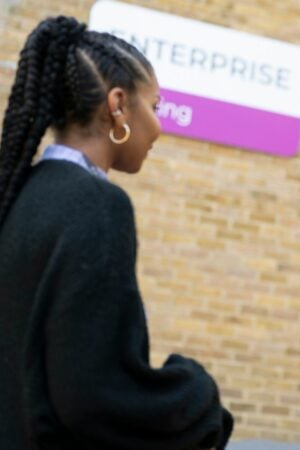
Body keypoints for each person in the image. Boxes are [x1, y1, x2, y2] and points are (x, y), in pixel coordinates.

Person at [0, 16, 232, 450]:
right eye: (156, 106)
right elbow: (96, 394)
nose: (159, 127)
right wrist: (197, 396)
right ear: (119, 104)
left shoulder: (21, 195)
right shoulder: (98, 205)